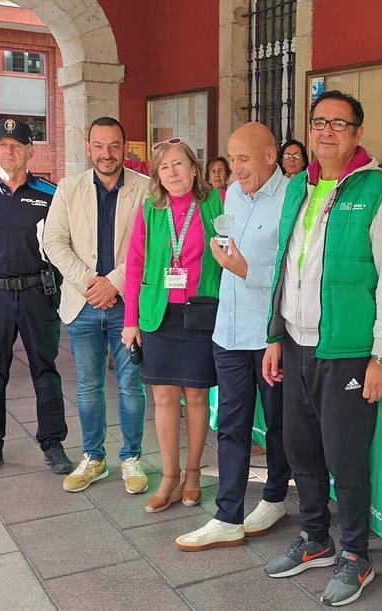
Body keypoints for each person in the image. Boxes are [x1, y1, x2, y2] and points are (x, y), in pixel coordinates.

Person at [259, 90, 382, 606]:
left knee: (345, 457)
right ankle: (315, 539)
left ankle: (355, 556)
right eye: (319, 122)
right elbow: (285, 264)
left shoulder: (379, 192)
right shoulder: (299, 187)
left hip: (346, 349)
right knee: (301, 448)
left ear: (357, 133)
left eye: (338, 124)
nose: (325, 132)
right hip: (297, 344)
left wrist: (381, 356)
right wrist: (275, 335)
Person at [174, 122, 292, 551]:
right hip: (228, 330)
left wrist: (247, 270)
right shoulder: (232, 196)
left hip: (269, 333)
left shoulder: (291, 197)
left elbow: (293, 271)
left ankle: (276, 495)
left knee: (277, 423)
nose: (235, 168)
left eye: (244, 158)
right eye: (231, 157)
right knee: (231, 424)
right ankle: (228, 516)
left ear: (269, 154)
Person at [44, 116, 154, 494]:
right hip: (83, 302)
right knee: (88, 386)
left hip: (127, 303)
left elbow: (149, 244)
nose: (107, 154)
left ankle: (131, 456)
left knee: (130, 385)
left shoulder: (144, 189)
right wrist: (92, 284)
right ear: (87, 147)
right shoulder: (68, 188)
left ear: (125, 148)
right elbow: (54, 242)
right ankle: (93, 457)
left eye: (114, 146)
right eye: (99, 146)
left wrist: (115, 283)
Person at [0, 119, 72, 478]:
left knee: (45, 371)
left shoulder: (50, 194)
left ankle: (52, 444)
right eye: (2, 145)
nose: (9, 152)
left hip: (39, 294)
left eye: (17, 145)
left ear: (29, 152)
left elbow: (60, 248)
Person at [121, 139, 222, 512]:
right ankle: (169, 475)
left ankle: (194, 473)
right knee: (163, 397)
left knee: (195, 396)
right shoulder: (151, 208)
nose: (173, 173)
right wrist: (131, 321)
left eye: (179, 165)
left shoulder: (214, 203)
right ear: (157, 176)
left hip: (199, 313)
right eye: (165, 168)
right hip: (158, 315)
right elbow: (135, 265)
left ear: (194, 169)